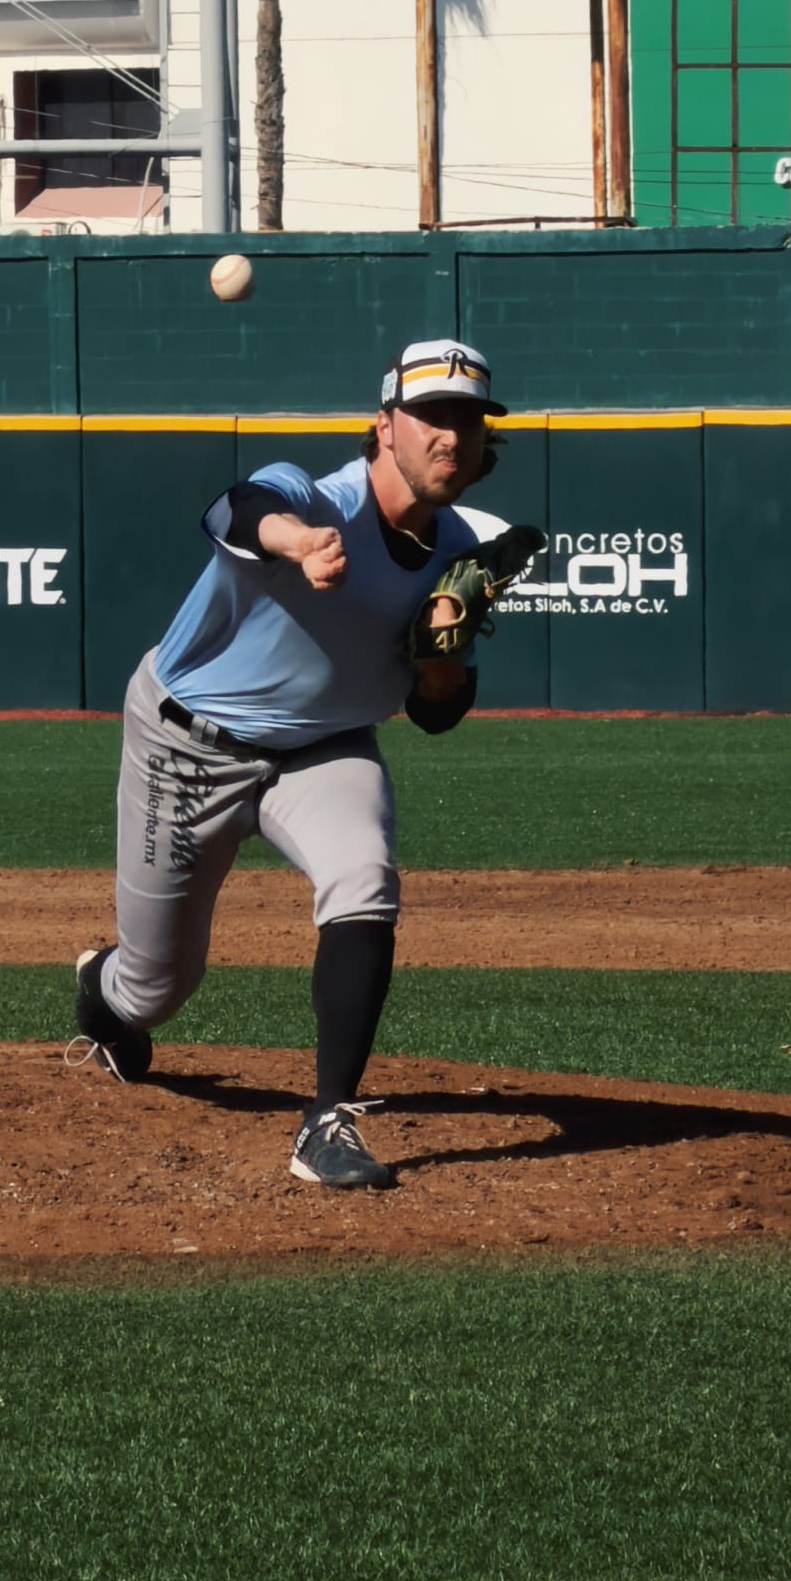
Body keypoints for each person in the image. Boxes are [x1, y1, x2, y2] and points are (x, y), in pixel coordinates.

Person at [72, 338, 513, 1190]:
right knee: (156, 988)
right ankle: (105, 989)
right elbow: (236, 511)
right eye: (432, 415)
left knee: (365, 876)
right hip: (188, 743)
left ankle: (328, 1121)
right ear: (385, 426)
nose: (451, 434)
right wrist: (296, 542)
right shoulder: (319, 498)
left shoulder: (462, 551)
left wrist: (445, 663)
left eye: (469, 417)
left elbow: (434, 713)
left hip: (325, 747)